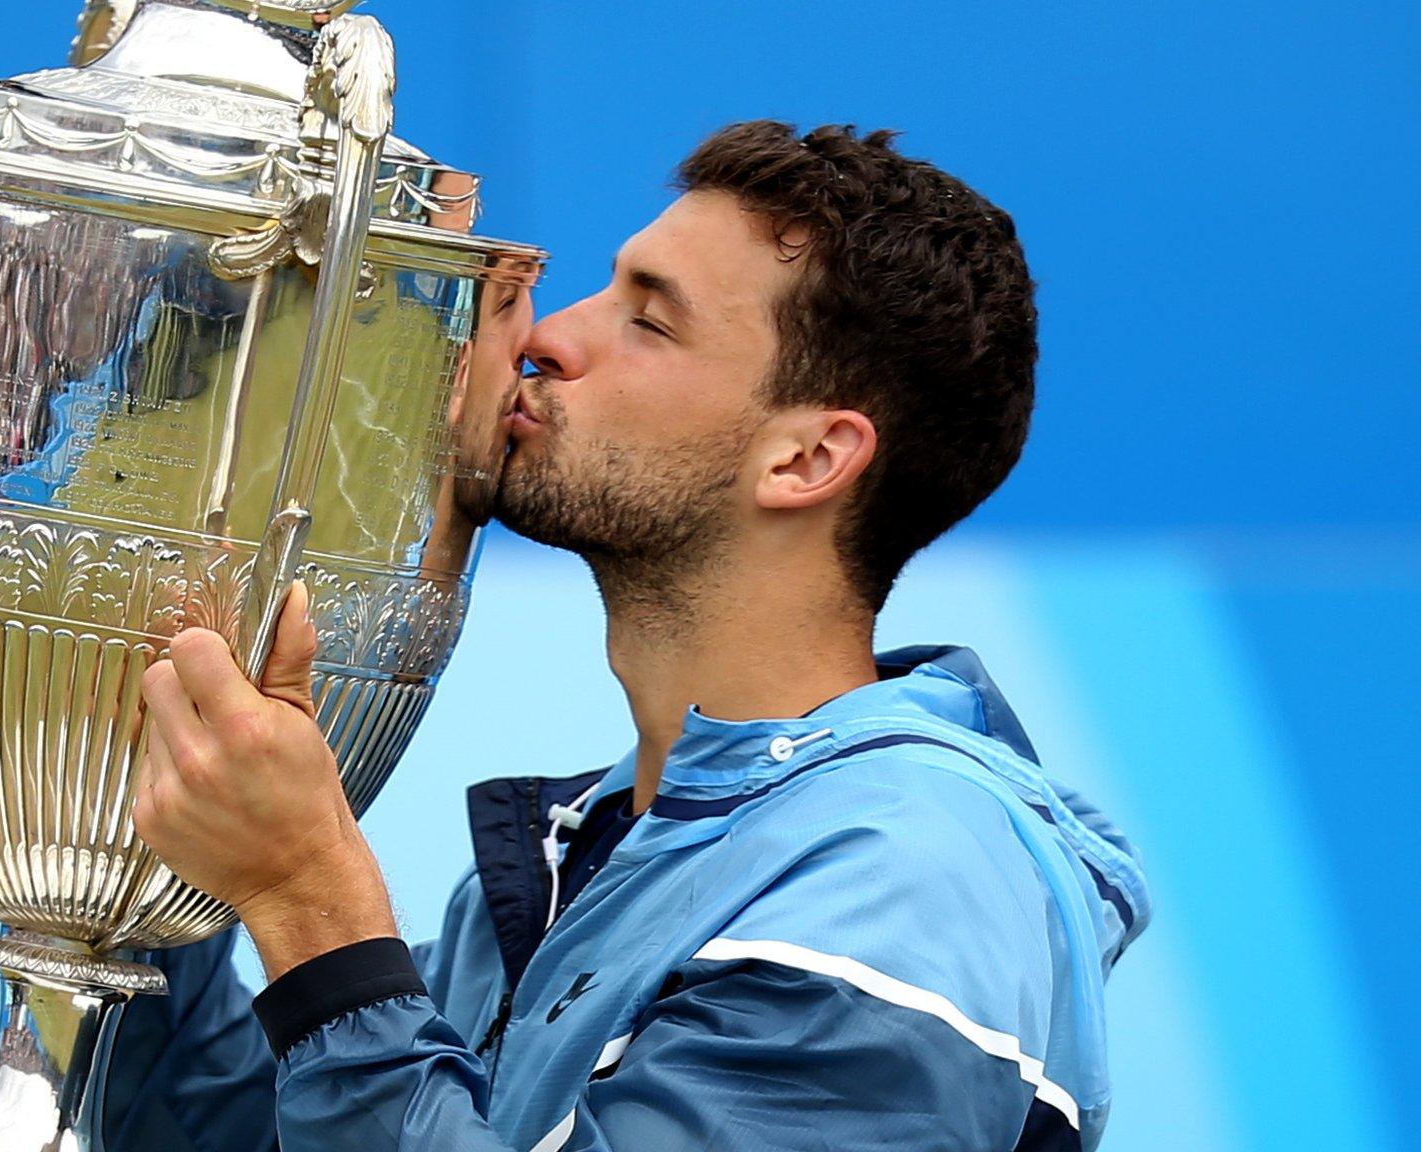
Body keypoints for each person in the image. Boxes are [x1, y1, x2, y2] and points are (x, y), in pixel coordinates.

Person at [107, 120, 1152, 1152]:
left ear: (802, 460)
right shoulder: (590, 852)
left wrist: (308, 899)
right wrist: (146, 789)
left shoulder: (901, 877)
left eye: (648, 323)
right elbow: (234, 1132)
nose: (550, 339)